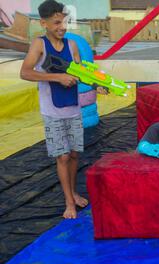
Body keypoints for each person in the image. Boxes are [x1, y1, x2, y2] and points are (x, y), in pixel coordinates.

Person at [20, 0, 107, 219]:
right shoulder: (39, 45)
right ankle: (69, 202)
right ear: (44, 23)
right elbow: (26, 73)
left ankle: (74, 192)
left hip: (73, 108)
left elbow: (79, 74)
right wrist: (56, 76)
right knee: (63, 157)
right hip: (53, 111)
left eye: (64, 22)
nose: (62, 27)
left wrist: (98, 83)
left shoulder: (72, 45)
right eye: (56, 22)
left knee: (75, 153)